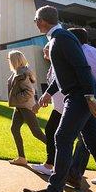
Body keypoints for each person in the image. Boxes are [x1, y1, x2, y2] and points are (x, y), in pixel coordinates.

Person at [23, 5, 96, 192]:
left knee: (62, 137)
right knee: (94, 144)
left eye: (35, 21)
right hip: (79, 96)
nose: (35, 24)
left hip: (78, 97)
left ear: (41, 21)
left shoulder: (62, 38)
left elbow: (81, 68)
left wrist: (89, 96)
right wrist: (47, 94)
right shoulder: (57, 39)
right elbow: (63, 75)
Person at [67, 28, 96, 188]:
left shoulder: (84, 54)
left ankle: (74, 173)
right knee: (89, 138)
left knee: (87, 139)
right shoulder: (94, 52)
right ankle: (74, 173)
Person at [7, 50, 46, 166]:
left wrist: (15, 99)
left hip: (25, 107)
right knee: (14, 129)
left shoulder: (22, 73)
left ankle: (60, 156)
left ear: (14, 60)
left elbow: (29, 92)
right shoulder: (17, 72)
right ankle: (22, 158)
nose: (8, 61)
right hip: (19, 107)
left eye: (9, 59)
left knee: (36, 132)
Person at [31, 43, 64, 176]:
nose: (44, 56)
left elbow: (56, 84)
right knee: (54, 132)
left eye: (46, 53)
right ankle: (59, 165)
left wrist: (42, 101)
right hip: (59, 105)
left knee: (53, 131)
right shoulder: (54, 65)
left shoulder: (59, 65)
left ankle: (52, 165)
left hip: (64, 106)